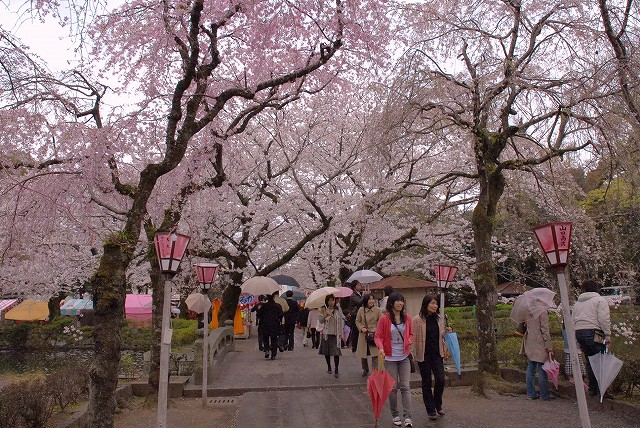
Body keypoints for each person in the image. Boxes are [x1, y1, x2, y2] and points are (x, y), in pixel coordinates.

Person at [375, 292, 413, 427]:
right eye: (398, 301)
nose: (400, 303)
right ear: (391, 303)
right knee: (393, 388)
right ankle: (395, 414)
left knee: (405, 386)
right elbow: (377, 336)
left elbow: (411, 334)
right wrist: (380, 348)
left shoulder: (407, 318)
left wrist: (409, 340)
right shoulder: (384, 319)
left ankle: (408, 416)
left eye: (402, 301)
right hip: (390, 358)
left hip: (404, 357)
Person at [412, 294, 449, 420]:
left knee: (441, 379)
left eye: (436, 304)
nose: (435, 306)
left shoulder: (438, 318)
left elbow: (439, 335)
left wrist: (445, 332)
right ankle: (431, 409)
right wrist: (412, 354)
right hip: (424, 355)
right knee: (426, 382)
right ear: (426, 304)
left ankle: (437, 404)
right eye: (432, 303)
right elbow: (413, 337)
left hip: (437, 354)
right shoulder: (417, 320)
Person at [573, 279, 612, 398]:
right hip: (595, 332)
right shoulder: (600, 300)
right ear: (596, 289)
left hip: (579, 332)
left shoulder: (577, 303)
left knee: (590, 361)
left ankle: (592, 389)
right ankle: (602, 390)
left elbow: (573, 320)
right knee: (601, 360)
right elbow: (603, 319)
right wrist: (608, 334)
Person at [519, 304, 554, 400]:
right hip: (540, 342)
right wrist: (548, 345)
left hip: (529, 341)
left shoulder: (527, 311)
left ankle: (531, 393)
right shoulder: (542, 311)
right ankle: (545, 394)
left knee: (531, 368)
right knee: (542, 369)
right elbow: (545, 329)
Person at [355, 293, 382, 377]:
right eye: (369, 299)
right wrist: (361, 328)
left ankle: (375, 371)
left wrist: (376, 328)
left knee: (375, 354)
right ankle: (365, 369)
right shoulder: (361, 310)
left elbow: (382, 321)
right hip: (364, 335)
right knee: (363, 354)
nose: (371, 301)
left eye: (372, 299)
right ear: (366, 301)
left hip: (374, 335)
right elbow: (357, 321)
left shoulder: (378, 310)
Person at [318, 295, 344, 378]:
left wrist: (341, 334)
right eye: (329, 300)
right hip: (326, 334)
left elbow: (341, 319)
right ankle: (329, 366)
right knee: (327, 352)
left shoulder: (338, 309)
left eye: (333, 300)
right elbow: (321, 321)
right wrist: (326, 315)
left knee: (336, 353)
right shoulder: (323, 309)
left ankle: (336, 369)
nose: (331, 302)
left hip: (335, 334)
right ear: (327, 301)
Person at [260, 293, 283, 360]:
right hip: (274, 324)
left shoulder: (264, 306)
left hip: (265, 324)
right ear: (273, 297)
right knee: (274, 339)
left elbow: (259, 314)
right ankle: (273, 354)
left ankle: (266, 350)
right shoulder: (277, 306)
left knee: (265, 338)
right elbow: (281, 315)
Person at [347, 281, 364, 352]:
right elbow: (359, 302)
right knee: (355, 332)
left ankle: (357, 347)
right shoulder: (353, 295)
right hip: (355, 314)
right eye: (358, 285)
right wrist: (364, 296)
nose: (360, 286)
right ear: (355, 287)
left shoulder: (359, 294)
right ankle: (354, 347)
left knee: (358, 331)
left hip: (359, 314)